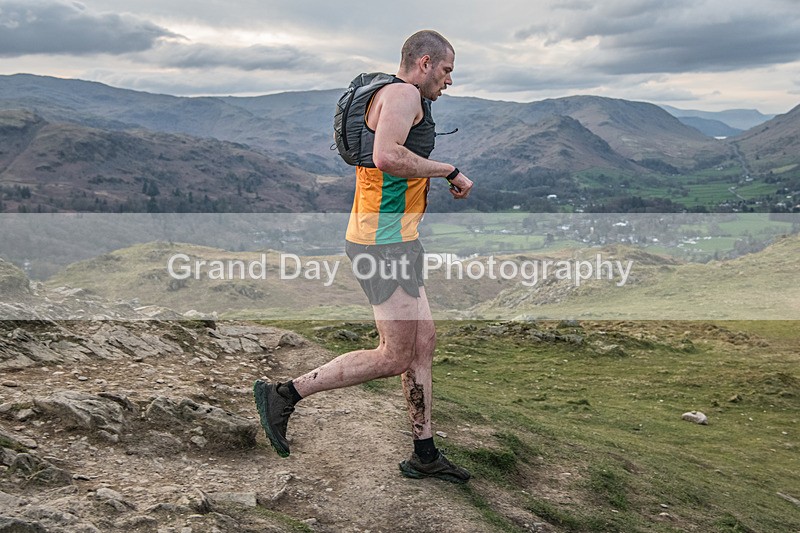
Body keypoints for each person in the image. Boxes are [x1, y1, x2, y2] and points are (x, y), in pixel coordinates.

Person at [254, 29, 474, 483]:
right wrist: (448, 169)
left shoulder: (397, 95)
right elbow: (388, 155)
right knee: (396, 355)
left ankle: (425, 453)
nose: (449, 81)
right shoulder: (402, 95)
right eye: (448, 70)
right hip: (381, 242)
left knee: (423, 343)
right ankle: (284, 394)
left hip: (397, 238)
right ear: (426, 61)